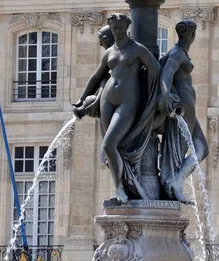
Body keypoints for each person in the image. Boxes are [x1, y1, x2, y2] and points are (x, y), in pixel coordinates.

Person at [73, 13, 160, 204]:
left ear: (127, 28)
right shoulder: (109, 52)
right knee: (113, 146)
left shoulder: (137, 49)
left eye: (121, 28)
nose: (118, 32)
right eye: (115, 29)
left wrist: (158, 95)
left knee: (109, 144)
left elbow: (155, 69)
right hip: (108, 101)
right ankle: (119, 187)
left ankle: (123, 188)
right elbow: (96, 77)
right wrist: (81, 100)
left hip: (128, 102)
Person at [159, 19, 209, 204]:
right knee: (181, 151)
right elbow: (166, 74)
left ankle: (176, 180)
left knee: (202, 149)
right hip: (183, 106)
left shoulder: (179, 53)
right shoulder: (177, 53)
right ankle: (171, 183)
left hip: (189, 107)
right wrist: (166, 95)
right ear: (192, 35)